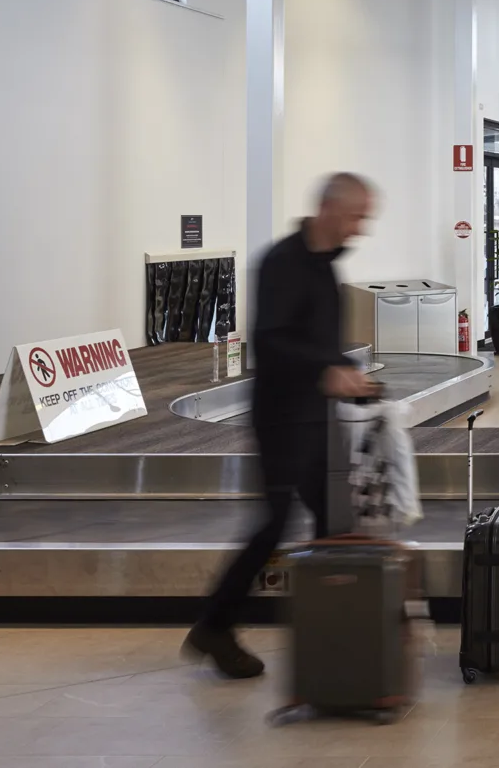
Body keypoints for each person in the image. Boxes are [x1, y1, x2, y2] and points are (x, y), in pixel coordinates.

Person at [186, 172, 381, 679]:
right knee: (275, 526)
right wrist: (326, 370)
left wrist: (351, 373)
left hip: (315, 418)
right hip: (281, 419)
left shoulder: (323, 267)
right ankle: (215, 626)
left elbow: (314, 340)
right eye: (357, 216)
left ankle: (330, 632)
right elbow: (271, 341)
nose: (361, 228)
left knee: (334, 523)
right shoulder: (282, 263)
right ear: (330, 209)